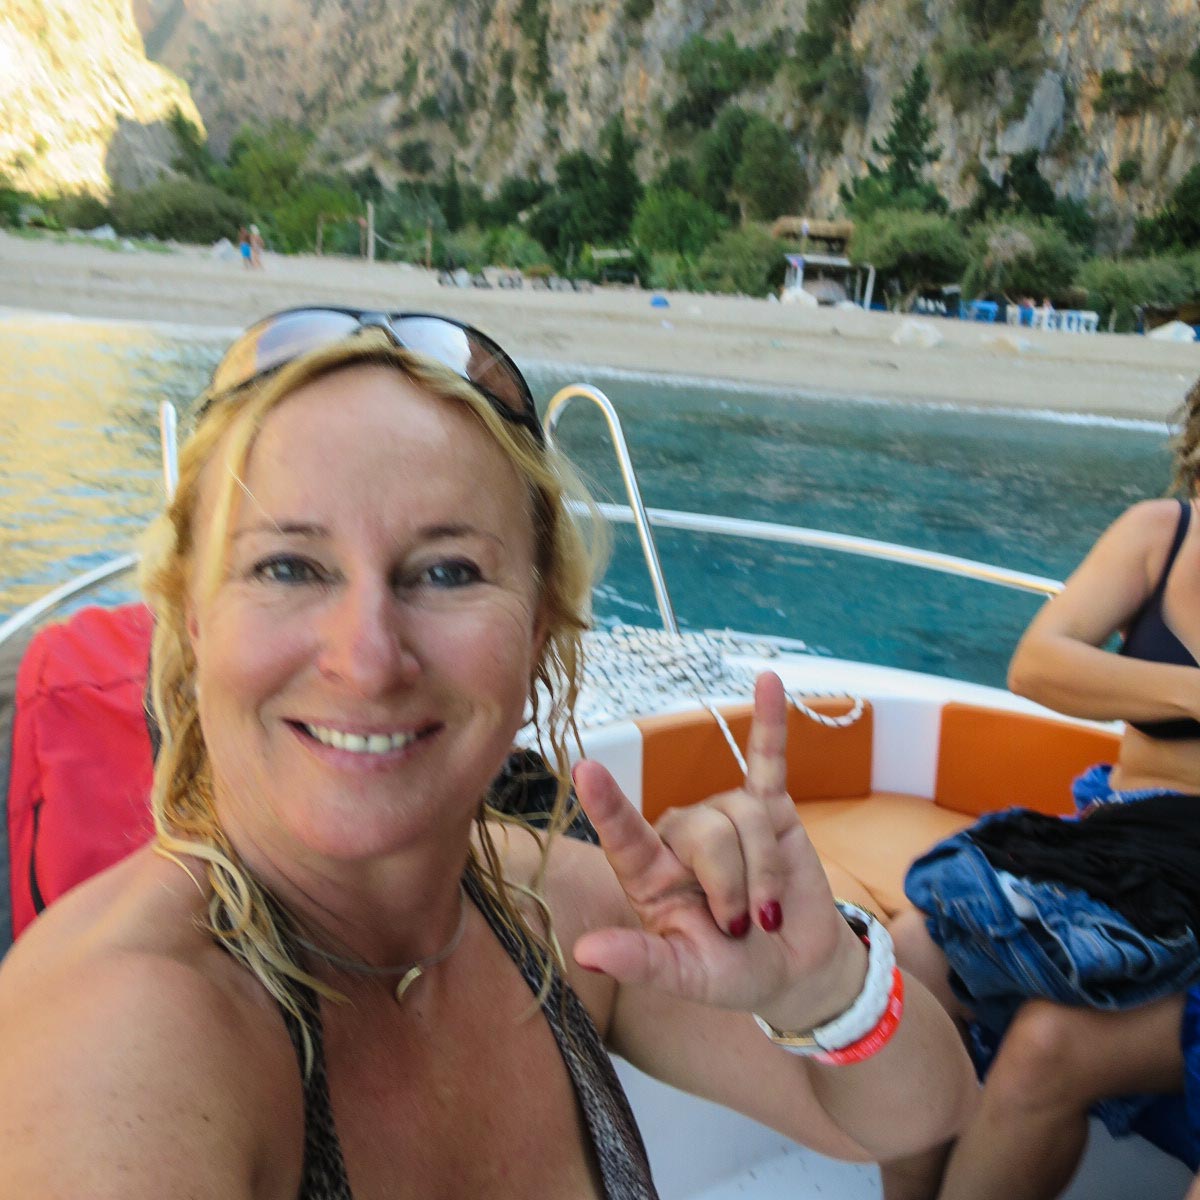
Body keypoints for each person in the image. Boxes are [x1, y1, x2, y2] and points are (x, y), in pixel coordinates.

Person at [0, 307, 974, 1196]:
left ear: (540, 628)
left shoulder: (545, 909)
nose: (366, 660)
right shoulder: (125, 1039)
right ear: (192, 615)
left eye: (446, 571)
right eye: (288, 566)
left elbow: (915, 1114)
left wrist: (825, 986)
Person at [885, 377, 1200, 1200]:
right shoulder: (1162, 534)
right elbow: (1038, 662)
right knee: (907, 955)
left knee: (1046, 1046)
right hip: (1125, 838)